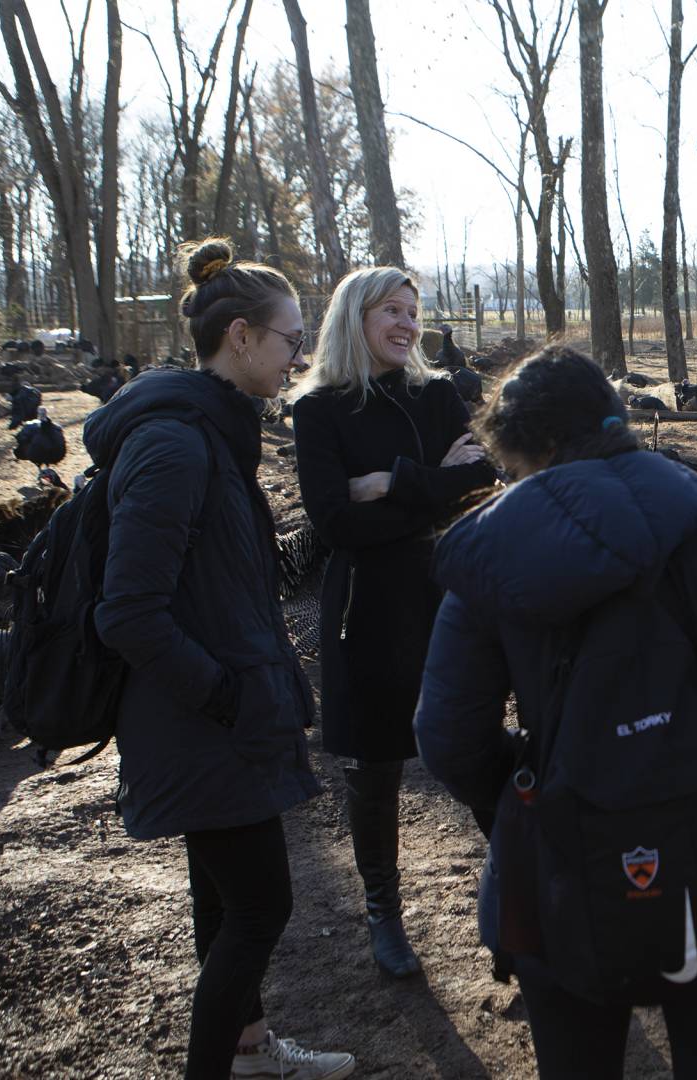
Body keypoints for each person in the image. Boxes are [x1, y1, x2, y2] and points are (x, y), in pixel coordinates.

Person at [413, 347, 697, 1078]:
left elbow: (447, 739)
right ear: (616, 425)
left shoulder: (491, 563)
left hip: (562, 883)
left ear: (536, 451)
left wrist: (530, 785)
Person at [89, 237, 353, 1080]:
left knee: (225, 901)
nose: (299, 356)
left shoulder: (215, 431)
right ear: (240, 336)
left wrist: (340, 521)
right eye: (289, 339)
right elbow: (127, 610)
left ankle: (248, 1052)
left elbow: (234, 578)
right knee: (262, 906)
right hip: (201, 721)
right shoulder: (175, 442)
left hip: (217, 714)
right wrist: (227, 696)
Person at [289, 268, 497, 979]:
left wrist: (390, 482)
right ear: (356, 316)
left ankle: (521, 891)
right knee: (374, 769)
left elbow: (480, 476)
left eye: (414, 312)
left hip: (443, 595)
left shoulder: (435, 393)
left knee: (472, 745)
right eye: (393, 311)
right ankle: (385, 914)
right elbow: (335, 521)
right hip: (364, 606)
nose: (409, 325)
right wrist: (428, 485)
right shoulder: (319, 410)